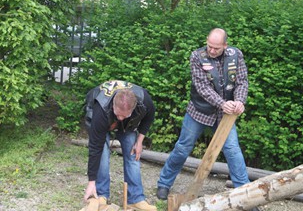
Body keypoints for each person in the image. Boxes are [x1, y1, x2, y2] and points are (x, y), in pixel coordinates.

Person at [156, 28, 260, 211]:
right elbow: (202, 87)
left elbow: (242, 81)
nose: (211, 51)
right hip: (198, 111)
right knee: (182, 148)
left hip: (225, 115)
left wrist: (239, 102)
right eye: (209, 46)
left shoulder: (236, 55)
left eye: (216, 48)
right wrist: (222, 103)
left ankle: (245, 196)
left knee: (233, 151)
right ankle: (164, 183)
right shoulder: (197, 56)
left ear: (225, 46)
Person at [84, 80, 157, 211]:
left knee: (133, 153)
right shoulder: (100, 109)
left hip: (129, 125)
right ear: (113, 105)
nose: (121, 118)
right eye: (118, 115)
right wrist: (91, 182)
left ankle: (136, 199)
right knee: (102, 153)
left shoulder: (144, 100)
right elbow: (95, 148)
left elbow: (149, 118)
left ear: (133, 108)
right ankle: (101, 195)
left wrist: (139, 141)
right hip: (103, 117)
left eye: (125, 115)